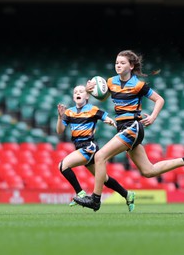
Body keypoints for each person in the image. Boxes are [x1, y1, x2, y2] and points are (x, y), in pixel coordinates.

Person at [73, 50, 184, 211]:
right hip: (123, 129)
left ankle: (95, 199)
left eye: (122, 63)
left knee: (100, 156)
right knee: (148, 171)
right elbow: (103, 97)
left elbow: (159, 99)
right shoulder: (110, 82)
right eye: (116, 62)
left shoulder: (138, 85)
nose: (118, 65)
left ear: (131, 66)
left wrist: (152, 117)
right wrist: (90, 91)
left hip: (133, 127)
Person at [56, 84, 136, 212]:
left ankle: (80, 193)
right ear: (73, 96)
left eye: (81, 91)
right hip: (80, 148)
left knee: (62, 166)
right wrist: (60, 117)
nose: (78, 93)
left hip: (89, 147)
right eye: (76, 91)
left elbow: (105, 117)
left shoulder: (92, 109)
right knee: (104, 179)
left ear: (87, 96)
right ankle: (128, 195)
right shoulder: (69, 112)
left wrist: (110, 121)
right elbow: (60, 131)